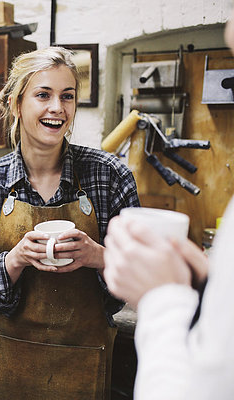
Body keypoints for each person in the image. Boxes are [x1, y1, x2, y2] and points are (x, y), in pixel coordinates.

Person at [0, 46, 140, 399]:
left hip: (81, 368)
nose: (57, 108)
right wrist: (15, 260)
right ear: (15, 103)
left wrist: (98, 257)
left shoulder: (110, 176)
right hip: (0, 369)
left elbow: (140, 280)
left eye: (67, 96)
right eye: (43, 94)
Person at [103, 10, 234, 399]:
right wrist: (204, 283)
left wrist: (160, 298)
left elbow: (200, 388)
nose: (229, 29)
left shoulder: (108, 171)